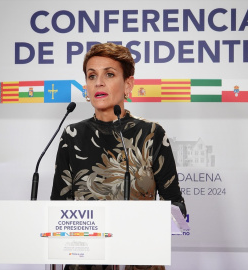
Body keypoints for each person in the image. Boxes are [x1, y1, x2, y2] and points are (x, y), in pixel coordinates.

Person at [51, 43, 186, 270]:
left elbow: (177, 212)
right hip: (86, 261)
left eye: (109, 74)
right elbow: (57, 210)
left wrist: (141, 229)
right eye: (92, 75)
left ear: (128, 84)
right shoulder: (72, 135)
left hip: (140, 260)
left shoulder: (152, 134)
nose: (99, 82)